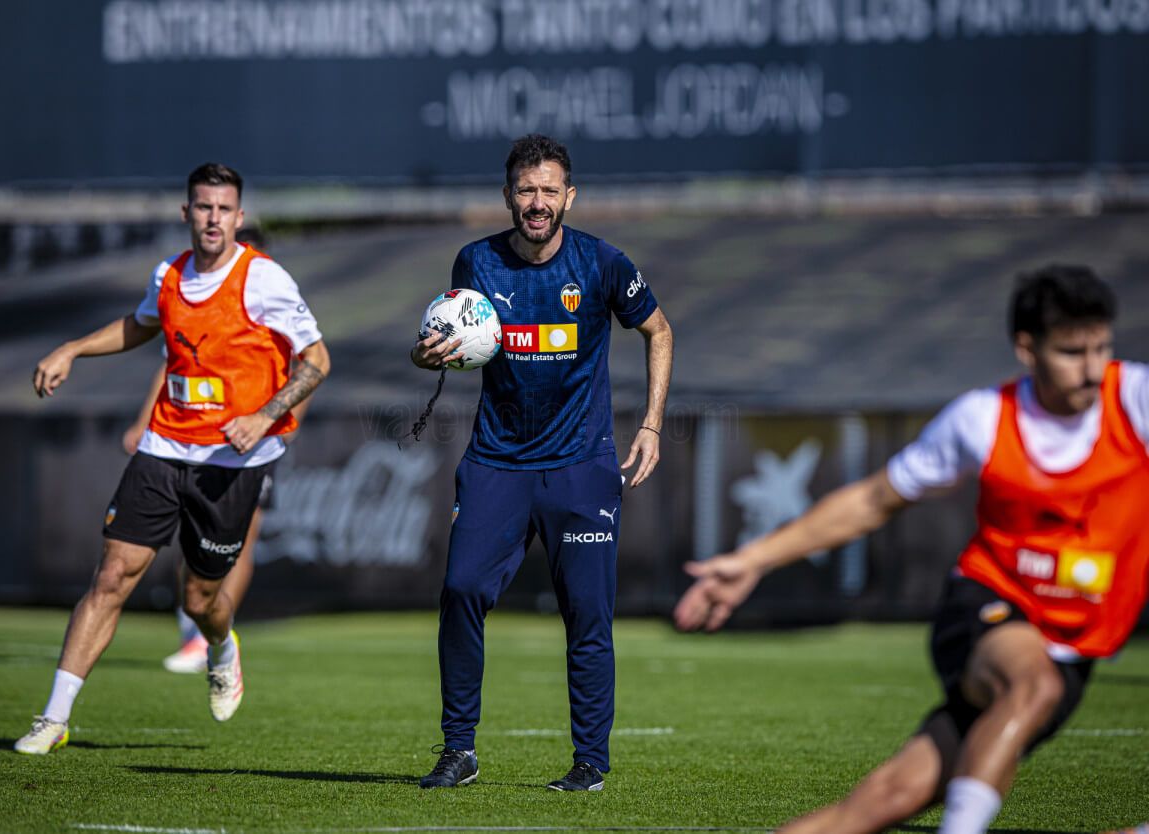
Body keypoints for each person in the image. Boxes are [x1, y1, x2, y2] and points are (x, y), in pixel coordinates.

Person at [674, 266, 1149, 834]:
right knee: (1032, 683)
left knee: (881, 802)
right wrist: (753, 560)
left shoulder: (1136, 400)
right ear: (1027, 348)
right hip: (986, 607)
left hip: (1076, 650)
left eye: (1102, 347)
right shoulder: (982, 418)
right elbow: (874, 500)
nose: (1093, 369)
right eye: (1073, 351)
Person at [16, 163, 330, 754]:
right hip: (164, 445)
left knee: (200, 600)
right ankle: (53, 718)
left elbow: (317, 360)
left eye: (224, 209)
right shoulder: (169, 274)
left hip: (231, 463)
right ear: (186, 213)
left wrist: (264, 417)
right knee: (111, 577)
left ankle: (221, 646)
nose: (213, 218)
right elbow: (140, 326)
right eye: (203, 207)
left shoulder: (264, 280)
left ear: (239, 217)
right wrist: (73, 349)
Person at [410, 134, 674, 791]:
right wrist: (427, 355)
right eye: (526, 190)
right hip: (497, 462)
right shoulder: (476, 263)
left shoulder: (602, 264)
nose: (537, 202)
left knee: (588, 612)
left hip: (582, 466)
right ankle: (459, 750)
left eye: (548, 191)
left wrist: (651, 425)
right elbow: (448, 338)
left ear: (569, 197)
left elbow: (659, 331)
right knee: (462, 591)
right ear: (507, 196)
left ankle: (590, 764)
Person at [118, 227, 311, 675]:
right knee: (189, 539)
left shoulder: (272, 290)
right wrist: (145, 421)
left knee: (239, 542)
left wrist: (279, 424)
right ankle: (194, 631)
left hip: (253, 445)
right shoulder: (197, 295)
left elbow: (311, 363)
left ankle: (212, 638)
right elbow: (173, 364)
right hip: (190, 438)